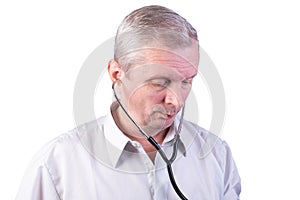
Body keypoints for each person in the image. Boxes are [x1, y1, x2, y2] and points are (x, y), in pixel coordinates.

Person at [16, 5, 241, 200]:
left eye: (186, 81)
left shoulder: (218, 156)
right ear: (116, 74)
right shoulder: (57, 165)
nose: (176, 100)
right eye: (160, 83)